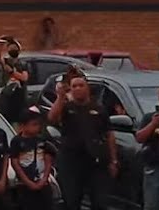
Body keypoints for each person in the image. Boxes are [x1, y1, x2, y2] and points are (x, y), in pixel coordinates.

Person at [48, 71, 118, 210]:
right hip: (71, 162)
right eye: (74, 86)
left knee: (100, 202)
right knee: (72, 201)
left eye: (81, 85)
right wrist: (60, 96)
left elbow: (109, 134)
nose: (78, 89)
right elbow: (52, 118)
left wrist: (113, 160)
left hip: (95, 162)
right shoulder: (66, 108)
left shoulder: (99, 109)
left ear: (88, 88)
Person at [9, 109, 57, 210]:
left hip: (43, 183)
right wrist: (27, 182)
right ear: (23, 126)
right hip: (24, 184)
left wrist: (44, 178)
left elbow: (48, 159)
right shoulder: (17, 141)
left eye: (38, 124)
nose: (37, 127)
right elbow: (15, 162)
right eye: (34, 124)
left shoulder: (42, 140)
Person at [0, 37, 29, 123]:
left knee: (18, 118)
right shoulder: (6, 61)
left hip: (19, 96)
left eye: (14, 48)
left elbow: (24, 78)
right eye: (11, 48)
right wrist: (1, 46)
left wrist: (11, 72)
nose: (13, 49)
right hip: (8, 95)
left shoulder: (22, 64)